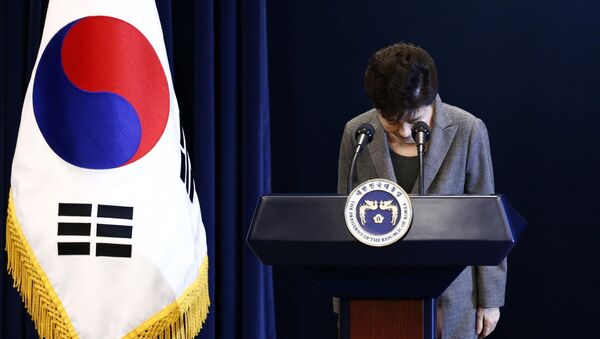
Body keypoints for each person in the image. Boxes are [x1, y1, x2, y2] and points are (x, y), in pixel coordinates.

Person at [337, 42, 507, 338]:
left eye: (413, 120)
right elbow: (340, 222)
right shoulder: (357, 132)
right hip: (375, 295)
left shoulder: (468, 130)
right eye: (391, 122)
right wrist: (342, 303)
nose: (403, 132)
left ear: (430, 100)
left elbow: (488, 221)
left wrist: (490, 301)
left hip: (451, 298)